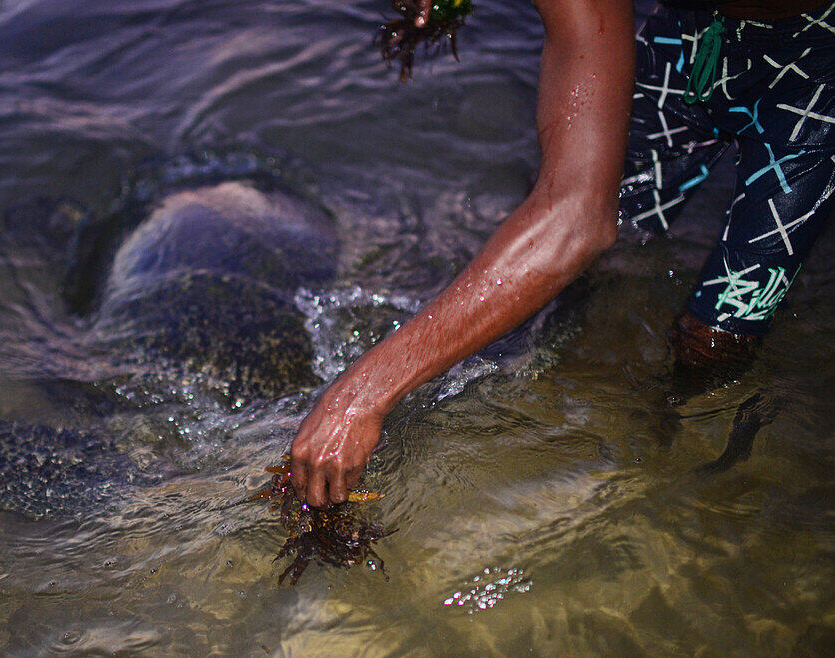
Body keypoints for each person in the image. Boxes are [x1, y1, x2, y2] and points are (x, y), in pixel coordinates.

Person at [289, 0, 835, 508]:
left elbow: (574, 220)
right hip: (694, 36)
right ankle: (594, 435)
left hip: (818, 68)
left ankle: (682, 498)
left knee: (714, 339)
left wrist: (361, 394)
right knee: (597, 275)